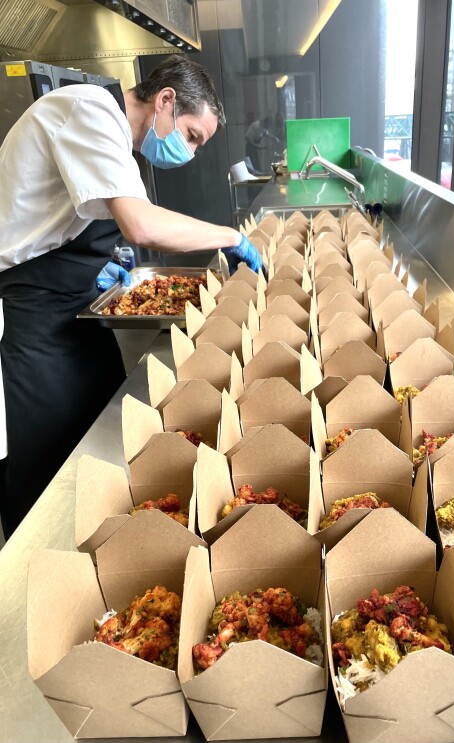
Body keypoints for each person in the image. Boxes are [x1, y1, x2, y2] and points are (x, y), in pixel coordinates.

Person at [0, 54, 263, 539]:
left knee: (101, 430)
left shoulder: (116, 138)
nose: (188, 151)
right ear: (165, 100)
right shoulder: (90, 111)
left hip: (70, 299)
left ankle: (105, 536)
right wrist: (229, 237)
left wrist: (107, 262)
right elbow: (142, 223)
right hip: (32, 305)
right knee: (48, 454)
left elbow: (91, 220)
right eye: (191, 136)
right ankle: (33, 564)